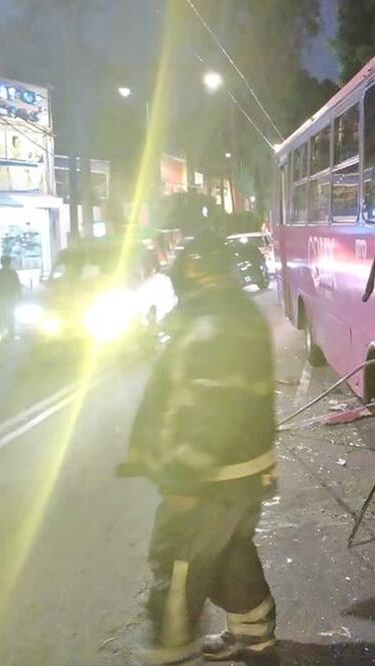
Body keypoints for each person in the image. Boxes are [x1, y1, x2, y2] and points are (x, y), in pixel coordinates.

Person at [118, 233, 278, 664]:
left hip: (213, 476)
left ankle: (167, 649)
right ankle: (254, 636)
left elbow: (210, 409)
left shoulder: (213, 323)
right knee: (230, 554)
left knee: (178, 560)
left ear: (192, 272)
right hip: (243, 469)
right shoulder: (231, 312)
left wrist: (185, 478)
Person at [0, 254, 22, 339]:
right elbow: (17, 285)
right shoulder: (12, 273)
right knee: (10, 315)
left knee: (0, 315)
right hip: (10, 297)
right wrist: (19, 295)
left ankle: (1, 332)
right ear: (9, 263)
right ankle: (11, 332)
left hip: (0, 297)